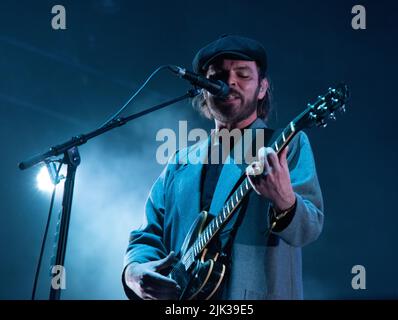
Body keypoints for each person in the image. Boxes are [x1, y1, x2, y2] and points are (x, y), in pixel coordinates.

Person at [122, 35, 324, 300]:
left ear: (262, 88)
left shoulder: (285, 144)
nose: (229, 82)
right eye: (217, 76)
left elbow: (310, 227)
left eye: (243, 75)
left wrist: (285, 201)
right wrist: (134, 272)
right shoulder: (180, 163)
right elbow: (146, 236)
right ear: (204, 88)